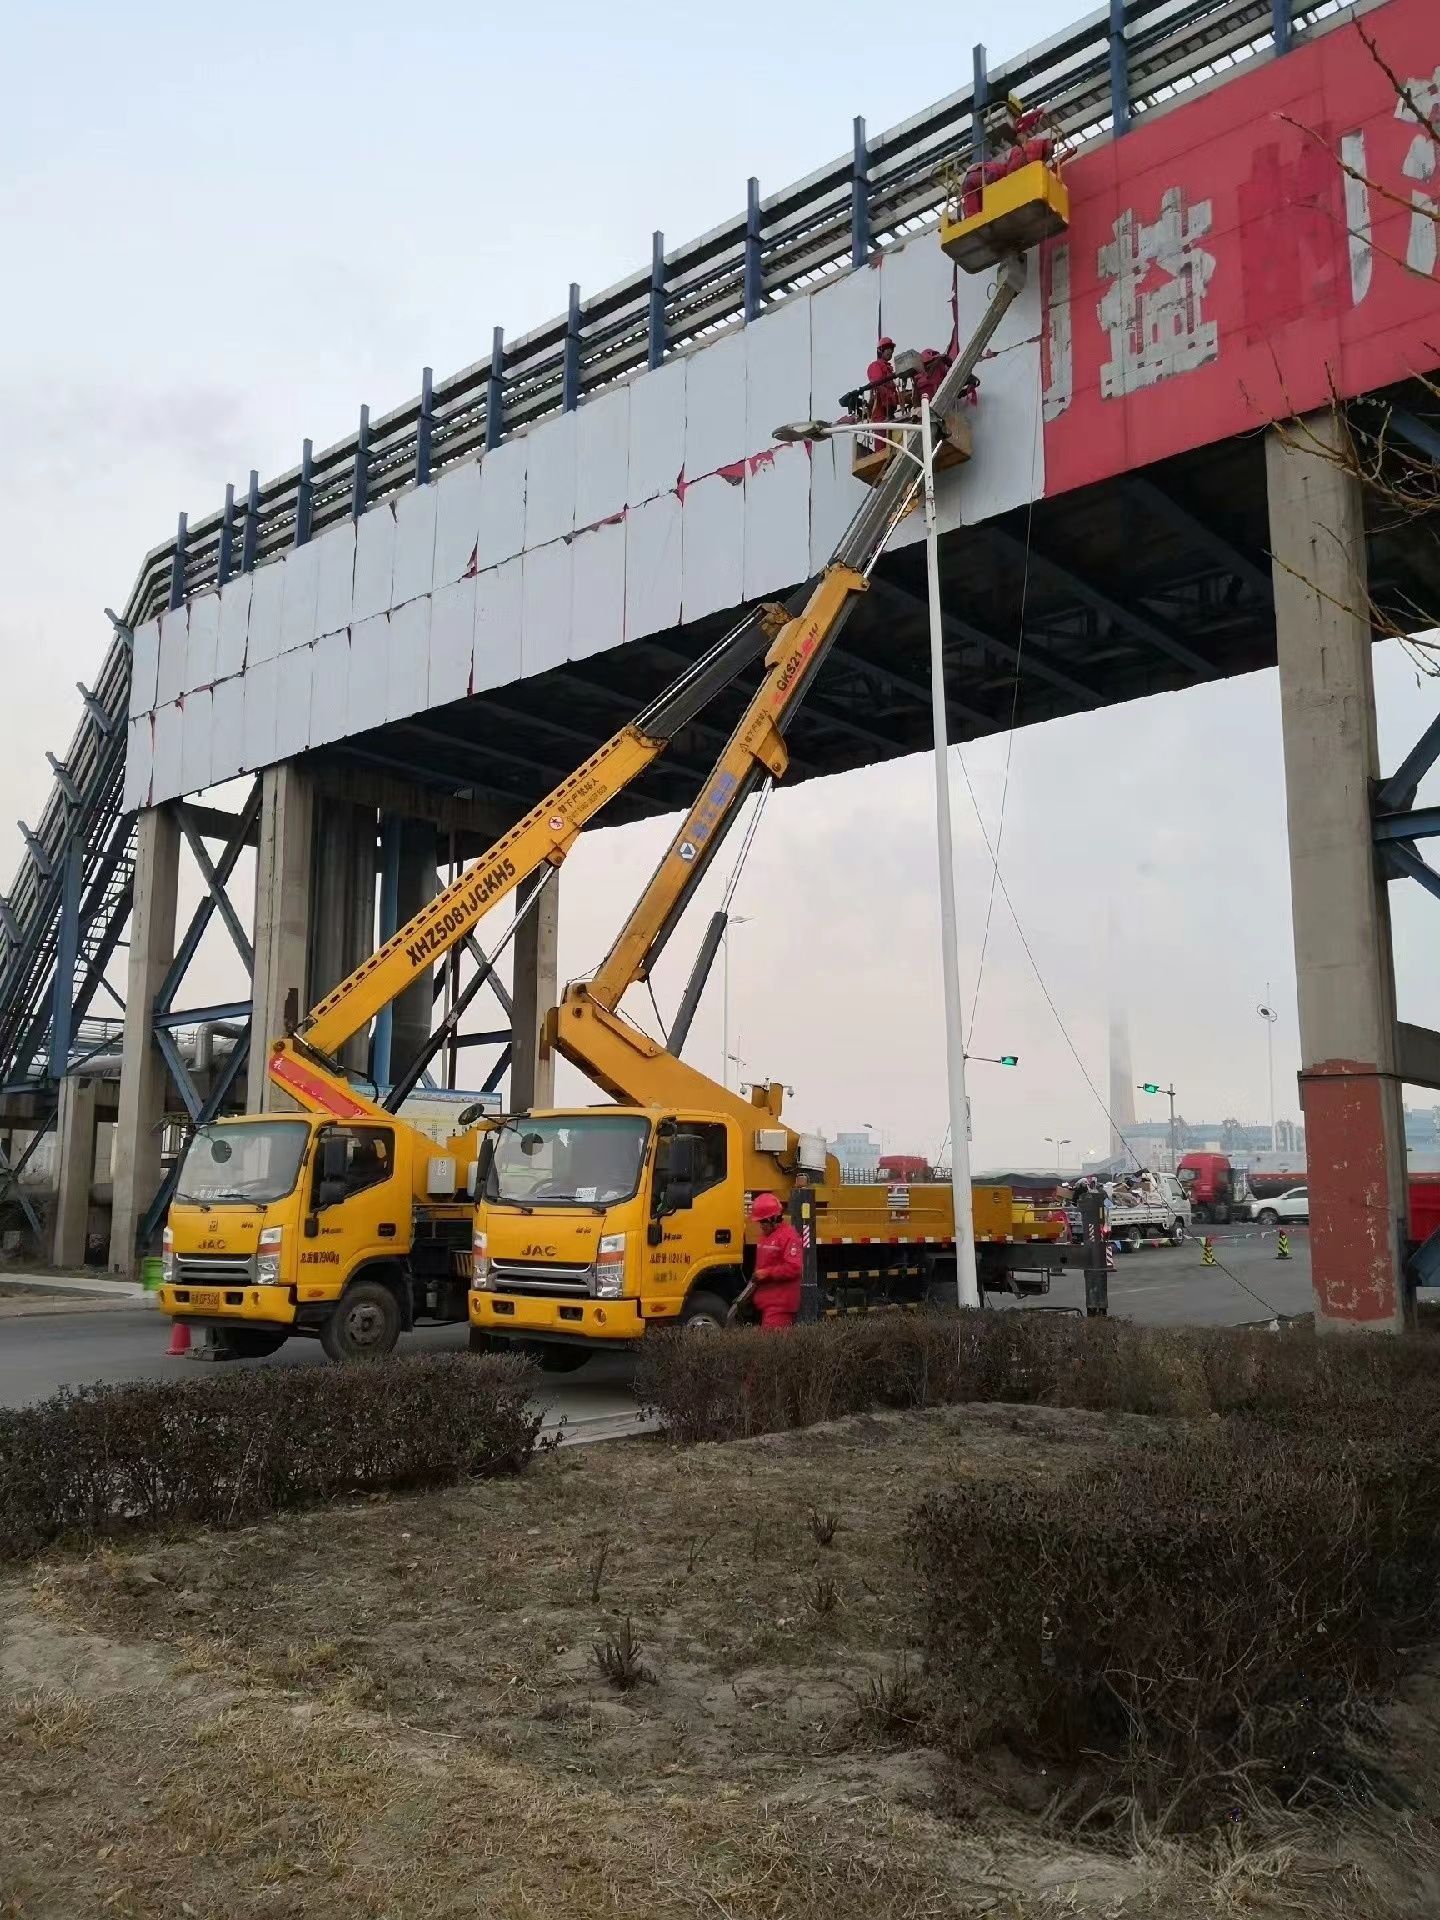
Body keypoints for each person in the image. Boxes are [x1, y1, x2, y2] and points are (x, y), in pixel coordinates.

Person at [746, 1191, 804, 1330]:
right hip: (767, 1302)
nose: (760, 1225)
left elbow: (794, 1268)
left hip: (780, 1304)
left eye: (762, 1221)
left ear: (772, 1219)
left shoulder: (789, 1237)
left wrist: (767, 1273)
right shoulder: (765, 1236)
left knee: (772, 1345)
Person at [866, 336, 897, 424]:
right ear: (880, 350)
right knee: (881, 436)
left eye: (891, 349)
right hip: (880, 410)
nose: (890, 351)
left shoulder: (889, 370)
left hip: (889, 412)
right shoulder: (875, 366)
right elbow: (877, 384)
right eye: (887, 349)